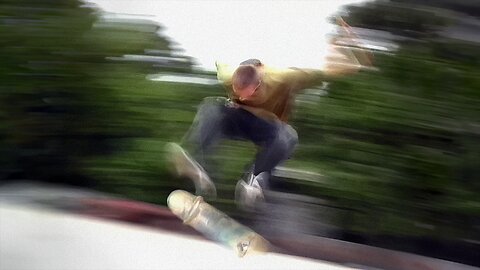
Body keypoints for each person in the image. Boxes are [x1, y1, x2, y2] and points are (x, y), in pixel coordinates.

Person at [166, 18, 373, 210]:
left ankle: (254, 178)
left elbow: (329, 72)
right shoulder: (229, 74)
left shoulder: (285, 77)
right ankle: (199, 164)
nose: (246, 99)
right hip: (237, 120)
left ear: (260, 78)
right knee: (211, 107)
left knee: (289, 136)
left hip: (267, 128)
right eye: (240, 94)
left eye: (250, 94)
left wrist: (347, 52)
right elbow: (218, 58)